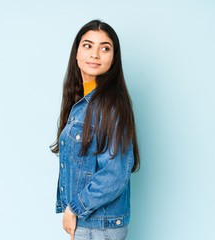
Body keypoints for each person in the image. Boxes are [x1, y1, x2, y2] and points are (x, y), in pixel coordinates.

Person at [50, 19, 140, 240]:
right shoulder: (82, 102)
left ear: (113, 58)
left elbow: (115, 174)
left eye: (105, 48)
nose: (95, 54)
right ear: (77, 53)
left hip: (99, 226)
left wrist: (74, 208)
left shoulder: (110, 105)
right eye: (88, 45)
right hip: (91, 223)